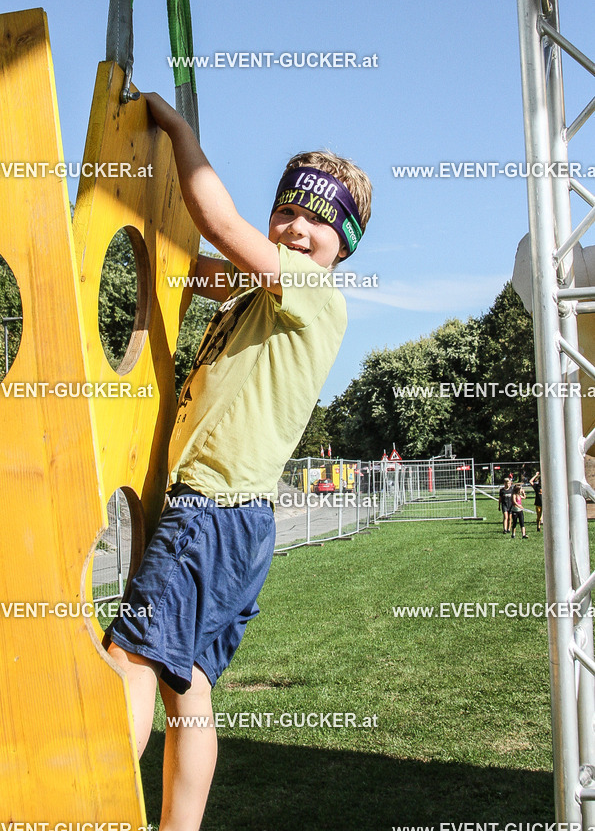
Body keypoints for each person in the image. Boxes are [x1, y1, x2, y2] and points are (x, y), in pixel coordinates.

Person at [103, 91, 372, 831]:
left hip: (211, 513)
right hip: (231, 519)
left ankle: (92, 805)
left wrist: (180, 134)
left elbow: (217, 224)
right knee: (184, 687)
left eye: (317, 220)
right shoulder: (259, 292)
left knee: (128, 659)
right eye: (286, 211)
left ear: (342, 245)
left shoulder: (312, 291)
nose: (294, 227)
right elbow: (194, 264)